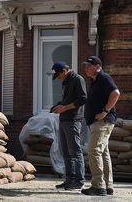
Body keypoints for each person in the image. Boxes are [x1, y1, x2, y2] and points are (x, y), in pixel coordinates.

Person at [81, 56, 120, 196]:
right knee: (103, 153)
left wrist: (104, 111)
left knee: (93, 151)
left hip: (102, 122)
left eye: (88, 66)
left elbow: (116, 93)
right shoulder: (95, 80)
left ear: (98, 66)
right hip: (98, 122)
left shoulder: (104, 77)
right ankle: (108, 185)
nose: (86, 68)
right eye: (85, 66)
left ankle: (98, 185)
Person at [51, 62, 87, 191]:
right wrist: (59, 106)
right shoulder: (65, 82)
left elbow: (82, 99)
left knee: (75, 151)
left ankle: (79, 180)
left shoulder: (78, 79)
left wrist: (64, 108)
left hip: (73, 120)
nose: (59, 78)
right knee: (66, 151)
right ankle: (70, 180)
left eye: (59, 75)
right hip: (64, 119)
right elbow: (69, 100)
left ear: (65, 70)